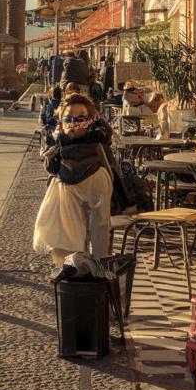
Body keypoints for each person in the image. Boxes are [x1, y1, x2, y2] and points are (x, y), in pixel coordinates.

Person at [32, 95, 114, 264]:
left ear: (90, 118)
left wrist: (93, 124)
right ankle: (76, 269)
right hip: (68, 185)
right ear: (61, 120)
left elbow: (105, 136)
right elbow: (50, 168)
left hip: (96, 180)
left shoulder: (96, 133)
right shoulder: (55, 136)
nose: (74, 122)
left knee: (100, 228)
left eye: (80, 118)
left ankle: (100, 269)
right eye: (68, 118)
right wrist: (63, 138)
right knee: (71, 232)